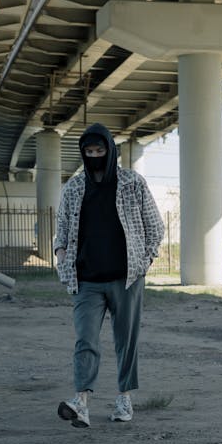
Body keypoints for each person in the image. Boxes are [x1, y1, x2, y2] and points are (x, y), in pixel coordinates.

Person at [53, 123, 164, 428]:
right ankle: (81, 402)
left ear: (110, 150)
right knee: (85, 339)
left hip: (126, 279)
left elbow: (155, 226)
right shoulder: (74, 187)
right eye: (88, 152)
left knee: (125, 341)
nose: (94, 156)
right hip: (85, 280)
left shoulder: (132, 182)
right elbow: (61, 227)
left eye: (99, 150)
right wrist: (61, 253)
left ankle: (124, 399)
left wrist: (145, 260)